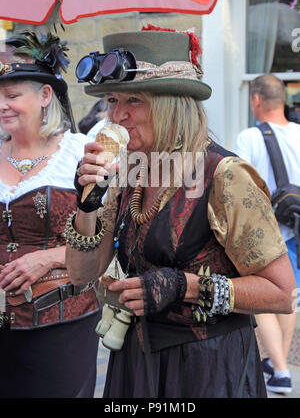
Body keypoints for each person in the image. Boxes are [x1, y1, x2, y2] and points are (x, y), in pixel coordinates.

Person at [65, 28, 296, 398]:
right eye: (111, 99)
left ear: (173, 102)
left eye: (134, 101)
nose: (117, 114)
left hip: (207, 367)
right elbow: (81, 273)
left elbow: (281, 294)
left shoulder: (225, 175)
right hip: (136, 362)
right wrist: (87, 204)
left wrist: (183, 286)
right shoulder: (129, 170)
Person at [0, 31, 101, 398]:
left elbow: (115, 238)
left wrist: (47, 258)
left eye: (12, 95)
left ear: (45, 95)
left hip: (63, 324)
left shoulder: (81, 154)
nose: (2, 105)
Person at [234, 74, 300, 395]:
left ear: (257, 100)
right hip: (296, 228)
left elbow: (237, 185)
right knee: (289, 297)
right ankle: (278, 364)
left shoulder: (249, 137)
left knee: (261, 299)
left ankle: (282, 370)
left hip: (262, 233)